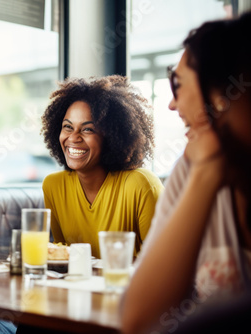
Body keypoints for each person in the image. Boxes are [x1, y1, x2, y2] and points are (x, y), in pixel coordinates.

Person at [121, 12, 251, 334]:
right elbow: (138, 318)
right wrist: (206, 175)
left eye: (177, 85)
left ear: (223, 94)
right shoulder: (192, 168)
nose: (172, 105)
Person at [41, 76, 164, 258]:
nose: (73, 138)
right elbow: (64, 259)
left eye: (87, 129)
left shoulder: (141, 184)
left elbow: (164, 262)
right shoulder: (54, 186)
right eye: (68, 127)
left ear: (112, 137)